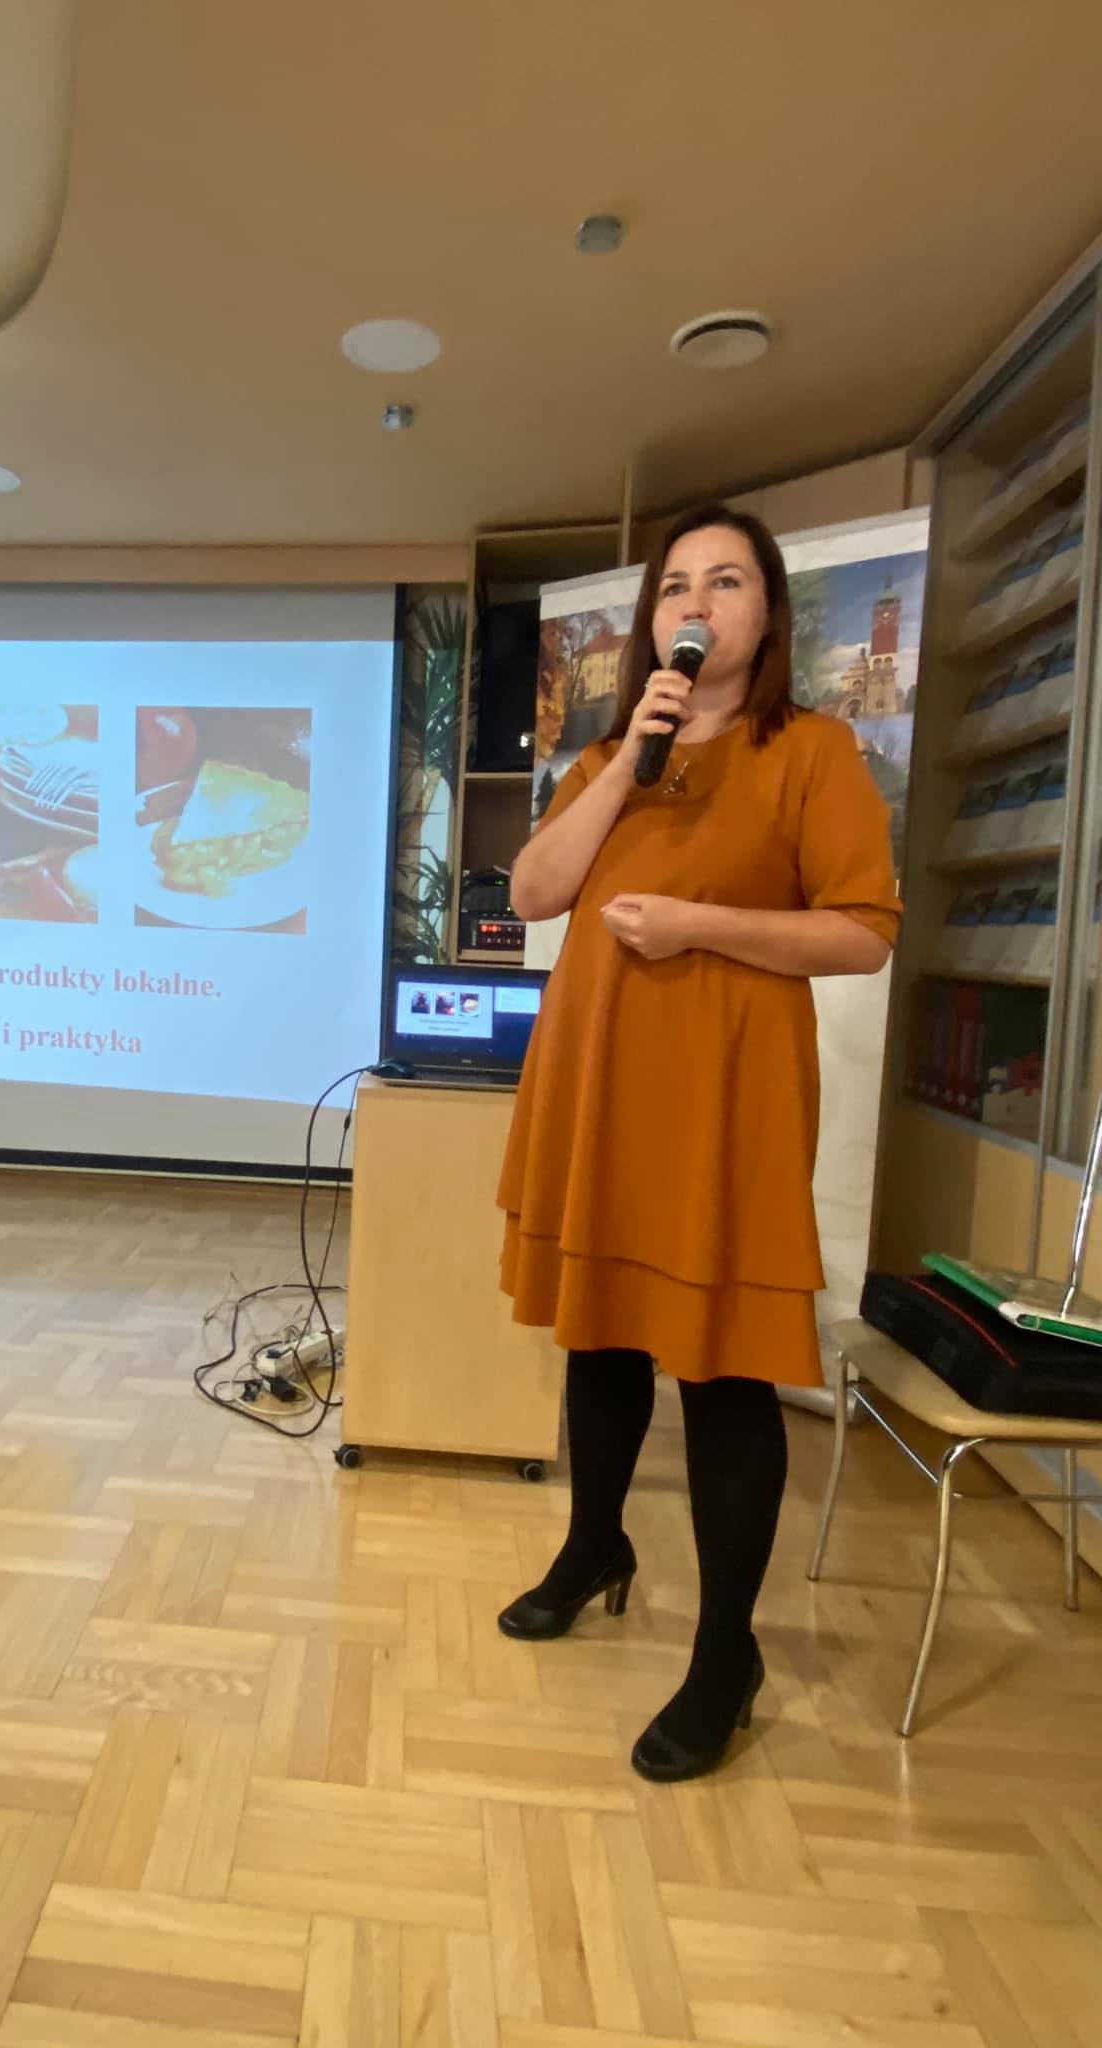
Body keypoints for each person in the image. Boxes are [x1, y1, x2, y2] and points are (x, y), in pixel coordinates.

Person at [496, 504, 900, 1782]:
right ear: (653, 620)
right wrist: (629, 759)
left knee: (725, 1371)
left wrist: (700, 925)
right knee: (601, 1334)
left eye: (727, 581)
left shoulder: (813, 751)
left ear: (767, 614)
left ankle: (728, 1651)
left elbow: (863, 931)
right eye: (678, 584)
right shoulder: (614, 751)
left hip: (727, 1103)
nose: (698, 602)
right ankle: (594, 1544)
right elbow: (534, 891)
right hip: (600, 1084)